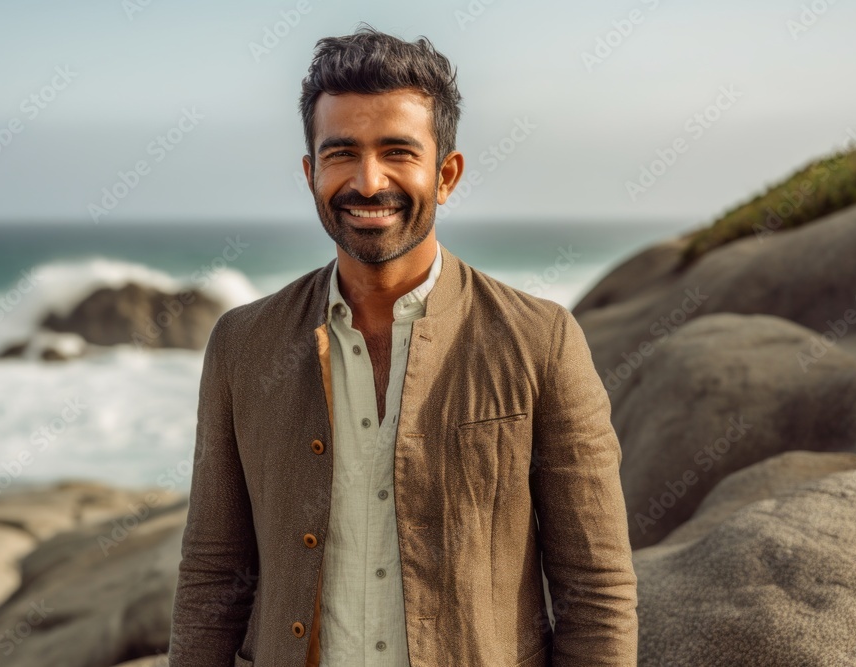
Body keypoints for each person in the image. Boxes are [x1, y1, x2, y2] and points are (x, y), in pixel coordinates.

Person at [167, 25, 638, 667]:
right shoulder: (242, 345)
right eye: (341, 154)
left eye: (397, 151)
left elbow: (596, 591)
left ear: (445, 174)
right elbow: (213, 577)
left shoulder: (541, 341)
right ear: (310, 174)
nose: (368, 181)